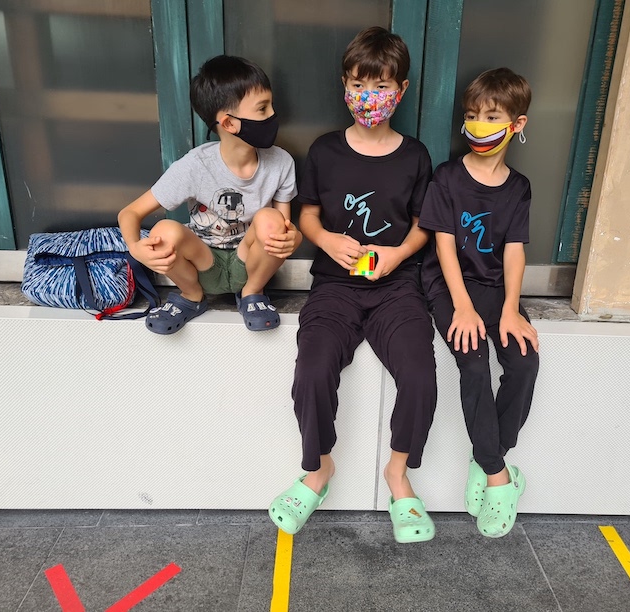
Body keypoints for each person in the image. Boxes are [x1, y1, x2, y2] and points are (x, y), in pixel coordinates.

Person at [268, 26, 438, 544]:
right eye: (359, 85)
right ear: (344, 85)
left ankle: (398, 475)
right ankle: (318, 470)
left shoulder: (415, 156)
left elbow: (424, 225)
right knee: (312, 370)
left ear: (400, 90)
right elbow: (308, 214)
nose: (369, 97)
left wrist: (397, 254)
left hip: (397, 288)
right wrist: (326, 240)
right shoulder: (324, 151)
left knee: (420, 375)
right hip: (334, 288)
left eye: (381, 86)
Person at [418, 67, 540, 538]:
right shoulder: (448, 177)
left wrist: (511, 308)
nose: (479, 125)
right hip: (450, 286)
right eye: (472, 115)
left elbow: (514, 251)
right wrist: (463, 307)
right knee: (473, 362)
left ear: (517, 124)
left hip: (494, 289)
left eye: (492, 117)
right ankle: (499, 478)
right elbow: (445, 246)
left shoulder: (519, 187)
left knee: (524, 361)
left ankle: (487, 458)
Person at [118, 55, 301, 335]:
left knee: (271, 219)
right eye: (263, 108)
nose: (273, 115)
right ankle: (191, 296)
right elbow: (130, 213)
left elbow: (283, 228)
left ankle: (252, 294)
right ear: (229, 124)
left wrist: (292, 238)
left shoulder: (281, 163)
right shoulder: (195, 165)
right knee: (163, 231)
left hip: (249, 263)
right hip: (203, 262)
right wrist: (135, 248)